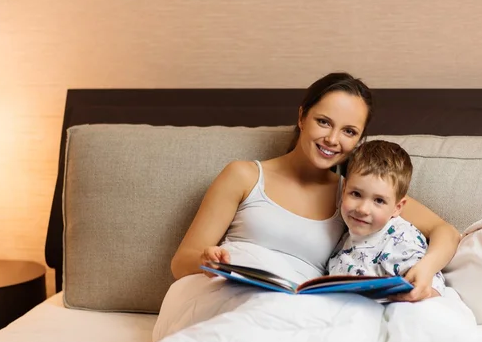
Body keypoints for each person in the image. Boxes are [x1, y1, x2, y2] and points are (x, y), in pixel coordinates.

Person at [170, 72, 460, 305]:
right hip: (225, 295)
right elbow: (181, 263)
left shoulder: (356, 196)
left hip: (302, 310)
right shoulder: (243, 176)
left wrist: (426, 268)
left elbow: (445, 231)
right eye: (324, 122)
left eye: (349, 131)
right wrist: (207, 260)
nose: (333, 139)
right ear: (301, 118)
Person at [327, 140, 446, 296]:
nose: (362, 209)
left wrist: (417, 294)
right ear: (344, 190)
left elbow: (432, 286)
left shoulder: (400, 239)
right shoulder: (343, 240)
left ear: (397, 208)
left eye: (379, 201)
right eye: (356, 194)